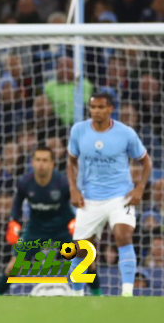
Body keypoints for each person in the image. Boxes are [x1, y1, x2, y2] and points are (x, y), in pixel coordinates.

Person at [67, 93, 152, 297]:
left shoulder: (126, 133)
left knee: (123, 235)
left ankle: (127, 294)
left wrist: (139, 188)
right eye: (93, 107)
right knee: (80, 250)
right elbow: (70, 161)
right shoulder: (79, 131)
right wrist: (73, 188)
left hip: (120, 196)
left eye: (100, 107)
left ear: (110, 109)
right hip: (90, 198)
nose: (96, 111)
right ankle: (77, 297)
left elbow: (146, 162)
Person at [0, 147, 102, 295]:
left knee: (87, 260)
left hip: (62, 228)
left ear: (52, 164)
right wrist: (13, 223)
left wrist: (77, 222)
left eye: (45, 160)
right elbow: (16, 205)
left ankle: (98, 295)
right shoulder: (25, 182)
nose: (41, 164)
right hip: (36, 230)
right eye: (38, 160)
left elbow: (80, 204)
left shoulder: (62, 183)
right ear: (32, 163)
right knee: (13, 266)